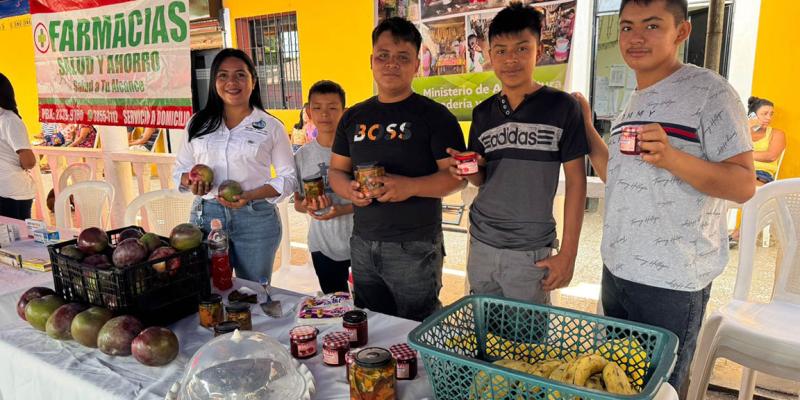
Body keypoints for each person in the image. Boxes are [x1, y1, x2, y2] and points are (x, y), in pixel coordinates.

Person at [576, 0, 755, 395]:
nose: (636, 37)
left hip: (671, 281)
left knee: (660, 391)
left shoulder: (710, 92)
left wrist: (673, 157)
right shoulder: (634, 100)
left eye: (652, 25)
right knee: (615, 386)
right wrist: (586, 127)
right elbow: (617, 177)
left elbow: (744, 185)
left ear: (682, 32)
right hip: (618, 271)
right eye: (627, 27)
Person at [328, 17, 466, 322]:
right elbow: (336, 171)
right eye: (383, 56)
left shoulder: (436, 117)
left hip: (415, 246)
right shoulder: (352, 117)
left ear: (417, 65)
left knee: (417, 327)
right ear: (371, 61)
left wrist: (410, 187)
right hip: (363, 241)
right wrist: (348, 189)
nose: (391, 64)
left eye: (403, 57)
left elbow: (456, 179)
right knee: (371, 325)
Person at [449, 3, 587, 304]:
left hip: (530, 251)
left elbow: (578, 183)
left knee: (528, 333)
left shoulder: (563, 107)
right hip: (482, 243)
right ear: (490, 56)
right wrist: (469, 169)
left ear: (539, 52)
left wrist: (568, 254)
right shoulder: (483, 113)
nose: (510, 59)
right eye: (501, 51)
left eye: (522, 49)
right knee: (484, 329)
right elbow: (481, 179)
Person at [173, 48, 297, 282]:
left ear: (253, 81)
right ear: (214, 82)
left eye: (240, 75)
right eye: (223, 75)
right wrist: (191, 182)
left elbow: (289, 178)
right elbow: (180, 169)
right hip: (206, 216)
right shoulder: (197, 123)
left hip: (255, 218)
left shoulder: (271, 126)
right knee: (207, 288)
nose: (232, 82)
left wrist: (250, 195)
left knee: (253, 291)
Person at [293, 81, 353, 294]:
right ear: (309, 112)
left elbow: (371, 198)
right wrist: (307, 206)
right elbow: (297, 202)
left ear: (344, 112)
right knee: (334, 303)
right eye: (317, 108)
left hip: (361, 244)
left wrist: (343, 209)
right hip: (322, 245)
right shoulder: (301, 156)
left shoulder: (357, 152)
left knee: (366, 306)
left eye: (333, 108)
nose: (325, 114)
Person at [0, 73, 37, 220]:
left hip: (12, 193)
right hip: (5, 190)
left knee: (16, 234)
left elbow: (29, 161)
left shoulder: (9, 120)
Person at [747, 96, 786, 184]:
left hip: (760, 174)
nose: (769, 118)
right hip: (737, 170)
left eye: (771, 114)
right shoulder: (741, 132)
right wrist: (746, 128)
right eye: (765, 114)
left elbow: (771, 156)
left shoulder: (777, 134)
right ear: (752, 115)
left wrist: (741, 155)